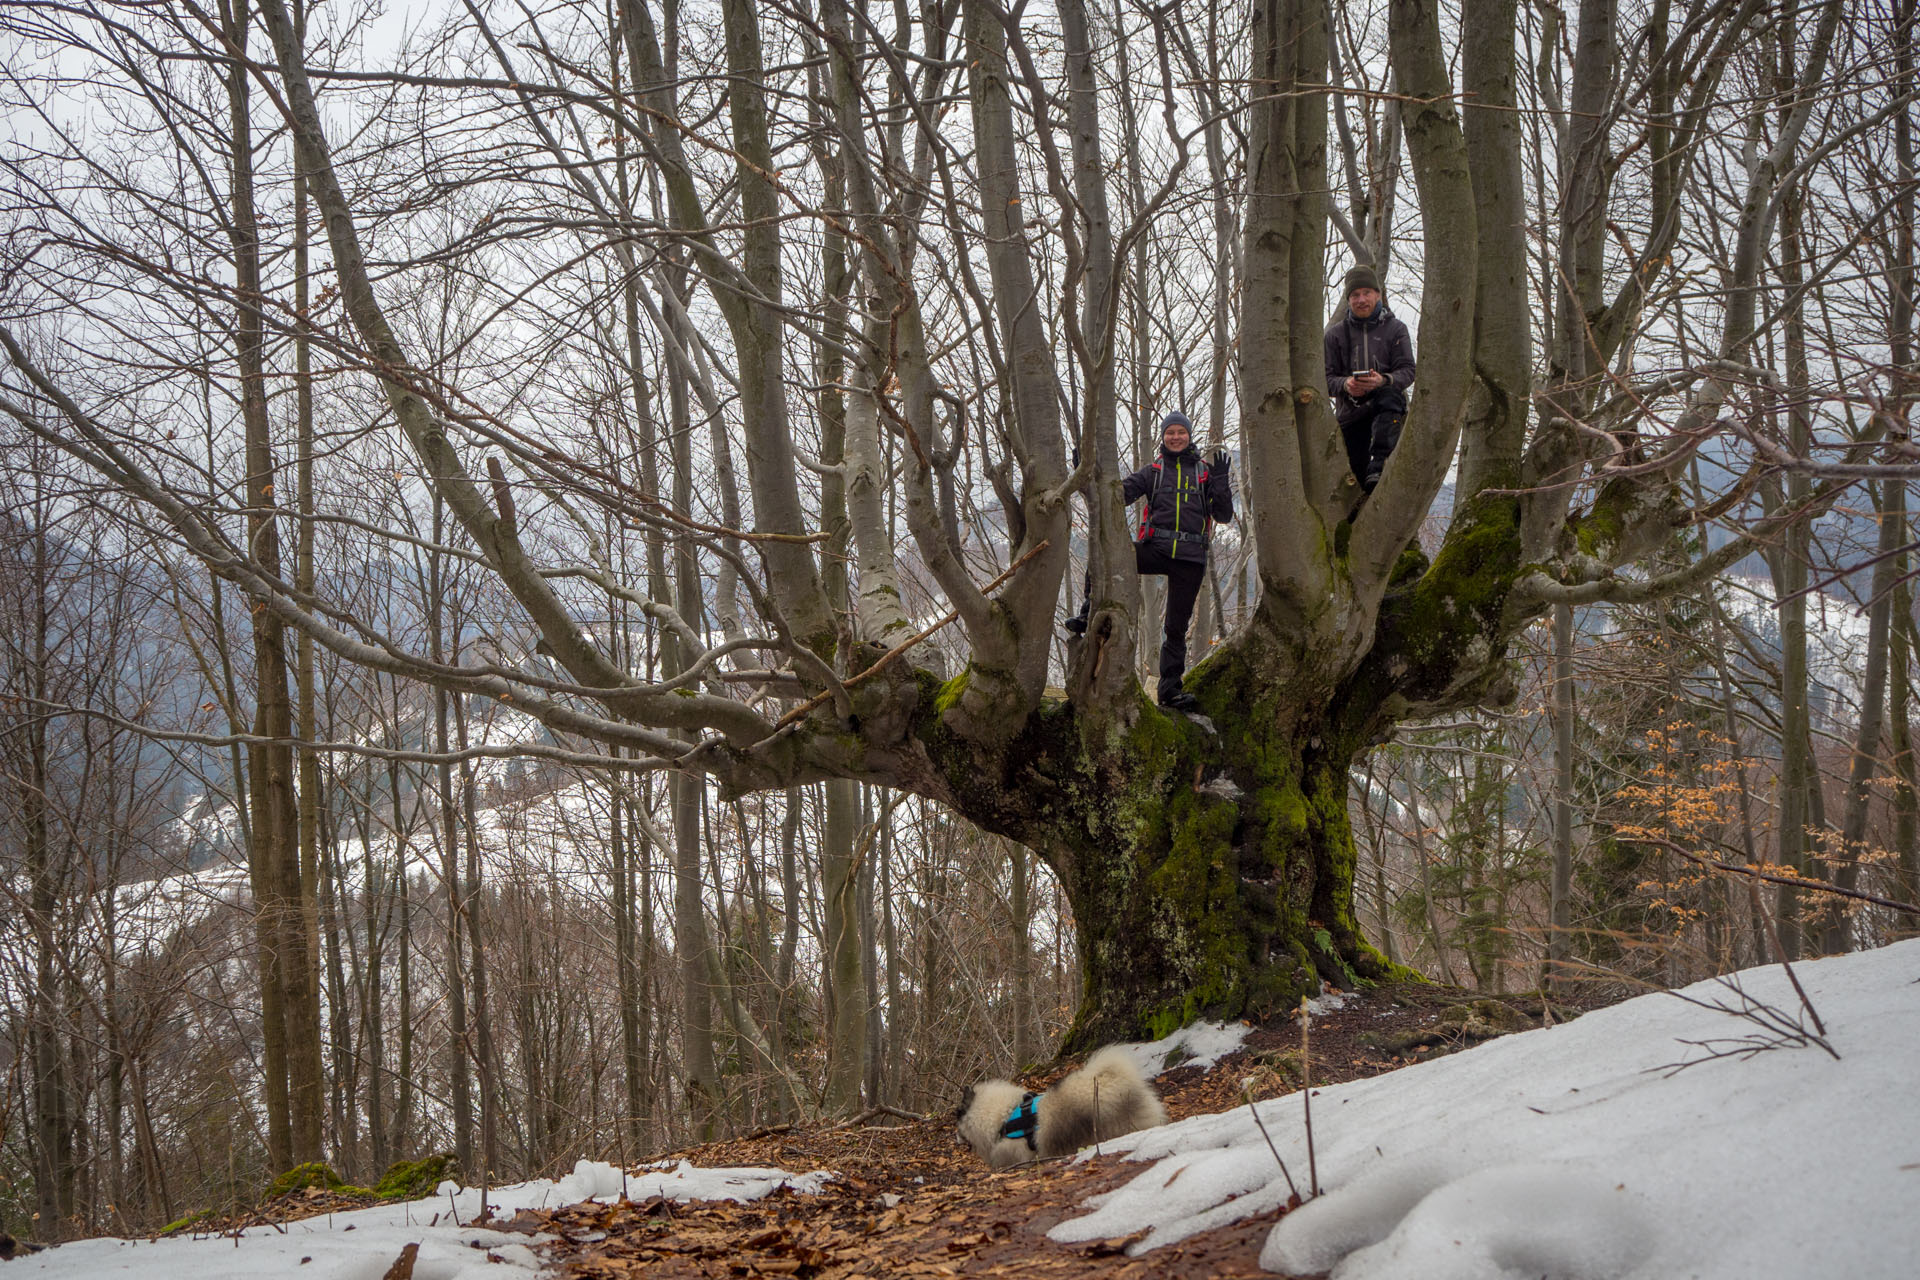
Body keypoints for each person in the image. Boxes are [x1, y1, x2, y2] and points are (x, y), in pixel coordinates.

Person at [1066, 412, 1232, 711]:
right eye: (1171, 432)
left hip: (1190, 559)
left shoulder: (1205, 473)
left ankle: (1170, 691)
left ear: (1189, 435)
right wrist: (1085, 471)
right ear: (1163, 436)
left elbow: (1224, 515)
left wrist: (1221, 483)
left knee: (1175, 628)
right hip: (1155, 549)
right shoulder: (1152, 472)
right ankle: (1087, 611)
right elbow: (1115, 496)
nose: (1176, 437)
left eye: (1182, 432)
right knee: (1104, 555)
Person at [1323, 264, 1416, 494]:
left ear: (1378, 295)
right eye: (1355, 295)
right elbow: (1324, 380)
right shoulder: (1334, 335)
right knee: (1358, 483)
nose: (1361, 300)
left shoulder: (1396, 329)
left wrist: (1383, 380)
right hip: (1350, 416)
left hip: (1387, 411)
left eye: (1366, 293)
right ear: (1348, 300)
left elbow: (1408, 370)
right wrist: (1346, 385)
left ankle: (1381, 461)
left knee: (1389, 395)